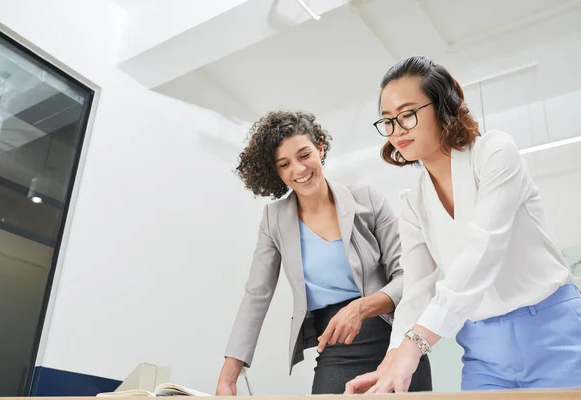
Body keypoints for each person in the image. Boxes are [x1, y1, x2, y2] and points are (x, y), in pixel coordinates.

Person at [344, 55, 581, 394]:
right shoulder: (413, 202)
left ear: (443, 106)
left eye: (408, 114)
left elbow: (481, 255)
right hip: (484, 351)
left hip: (553, 334)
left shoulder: (495, 153)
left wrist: (413, 347)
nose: (397, 130)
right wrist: (391, 360)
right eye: (388, 121)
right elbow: (415, 291)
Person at [215, 110, 432, 395]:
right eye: (284, 164)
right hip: (335, 351)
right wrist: (228, 379)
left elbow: (409, 278)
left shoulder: (368, 200)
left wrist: (360, 308)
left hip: (396, 347)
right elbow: (257, 295)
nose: (299, 169)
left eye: (304, 155)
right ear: (276, 172)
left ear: (319, 148)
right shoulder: (274, 220)